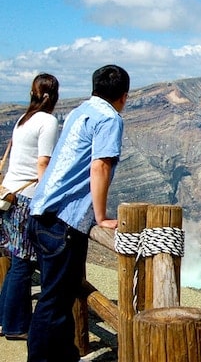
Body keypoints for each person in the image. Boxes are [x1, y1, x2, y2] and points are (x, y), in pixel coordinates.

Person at [27, 64, 130, 362]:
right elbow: (100, 165)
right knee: (53, 303)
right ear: (123, 96)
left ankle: (65, 355)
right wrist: (100, 218)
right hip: (64, 220)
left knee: (57, 297)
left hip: (43, 212)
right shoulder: (110, 118)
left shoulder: (79, 110)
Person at [0, 73, 60, 340]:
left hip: (11, 195)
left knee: (16, 262)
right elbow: (42, 164)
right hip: (27, 198)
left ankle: (5, 319)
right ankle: (15, 327)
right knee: (23, 263)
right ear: (54, 95)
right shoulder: (48, 121)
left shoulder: (23, 120)